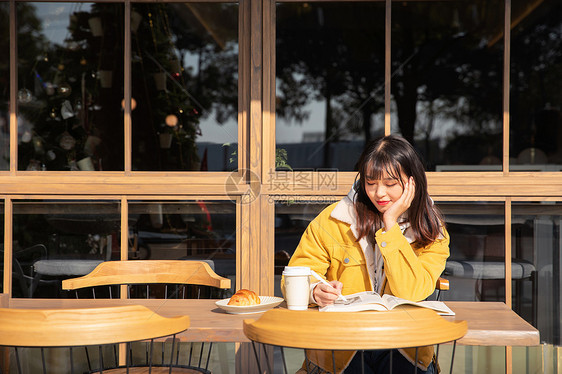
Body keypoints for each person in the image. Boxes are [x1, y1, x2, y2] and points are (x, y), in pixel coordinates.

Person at [282, 134, 450, 374]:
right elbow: (295, 278)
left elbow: (411, 291)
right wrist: (313, 291)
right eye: (370, 183)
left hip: (406, 346)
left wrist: (390, 224)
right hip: (341, 346)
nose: (379, 193)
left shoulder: (432, 230)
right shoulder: (333, 221)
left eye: (390, 184)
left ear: (412, 183)